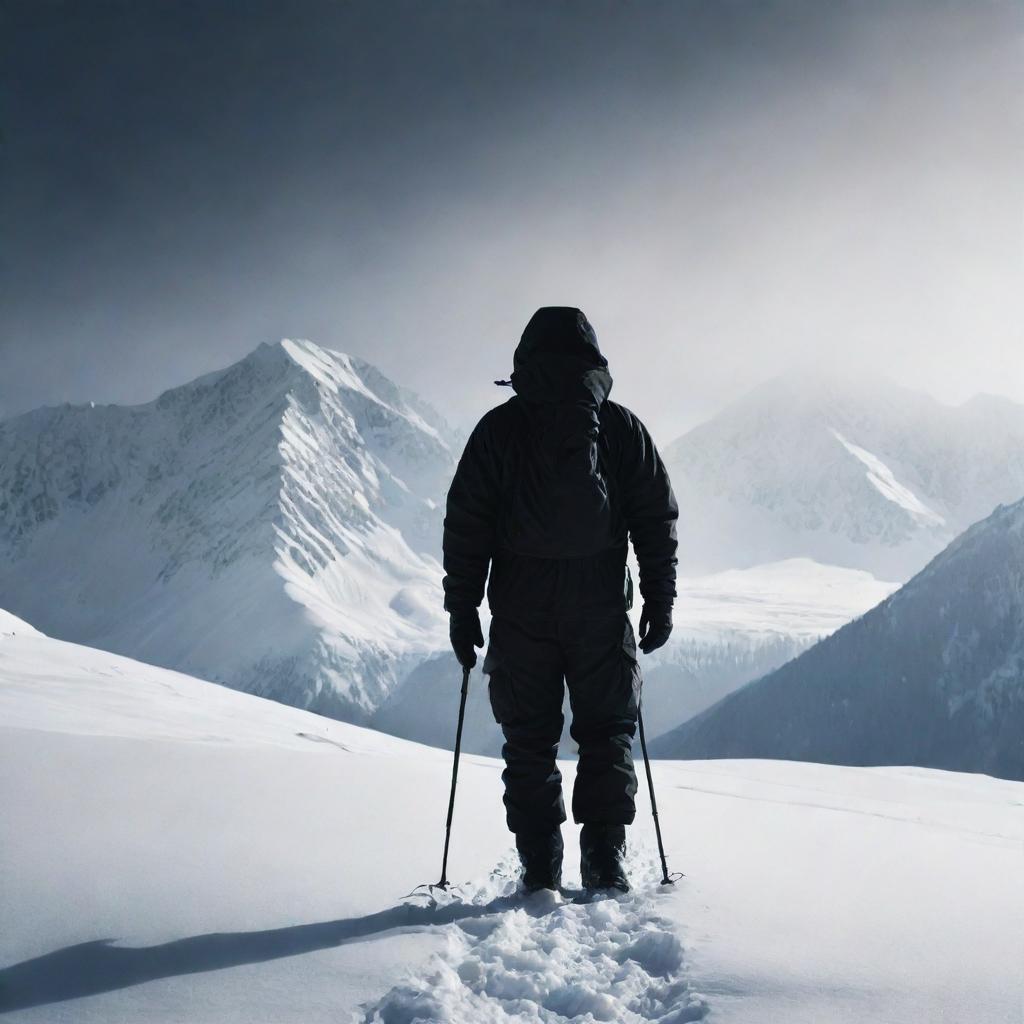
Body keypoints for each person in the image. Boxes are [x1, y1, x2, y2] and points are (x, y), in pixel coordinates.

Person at [442, 307, 678, 893]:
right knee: (607, 732)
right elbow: (655, 517)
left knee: (529, 739)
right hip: (600, 605)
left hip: (521, 609)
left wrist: (463, 604)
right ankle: (604, 858)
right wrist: (658, 597)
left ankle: (540, 864)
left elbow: (466, 523)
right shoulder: (620, 428)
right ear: (592, 363)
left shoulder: (499, 430)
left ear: (524, 362)